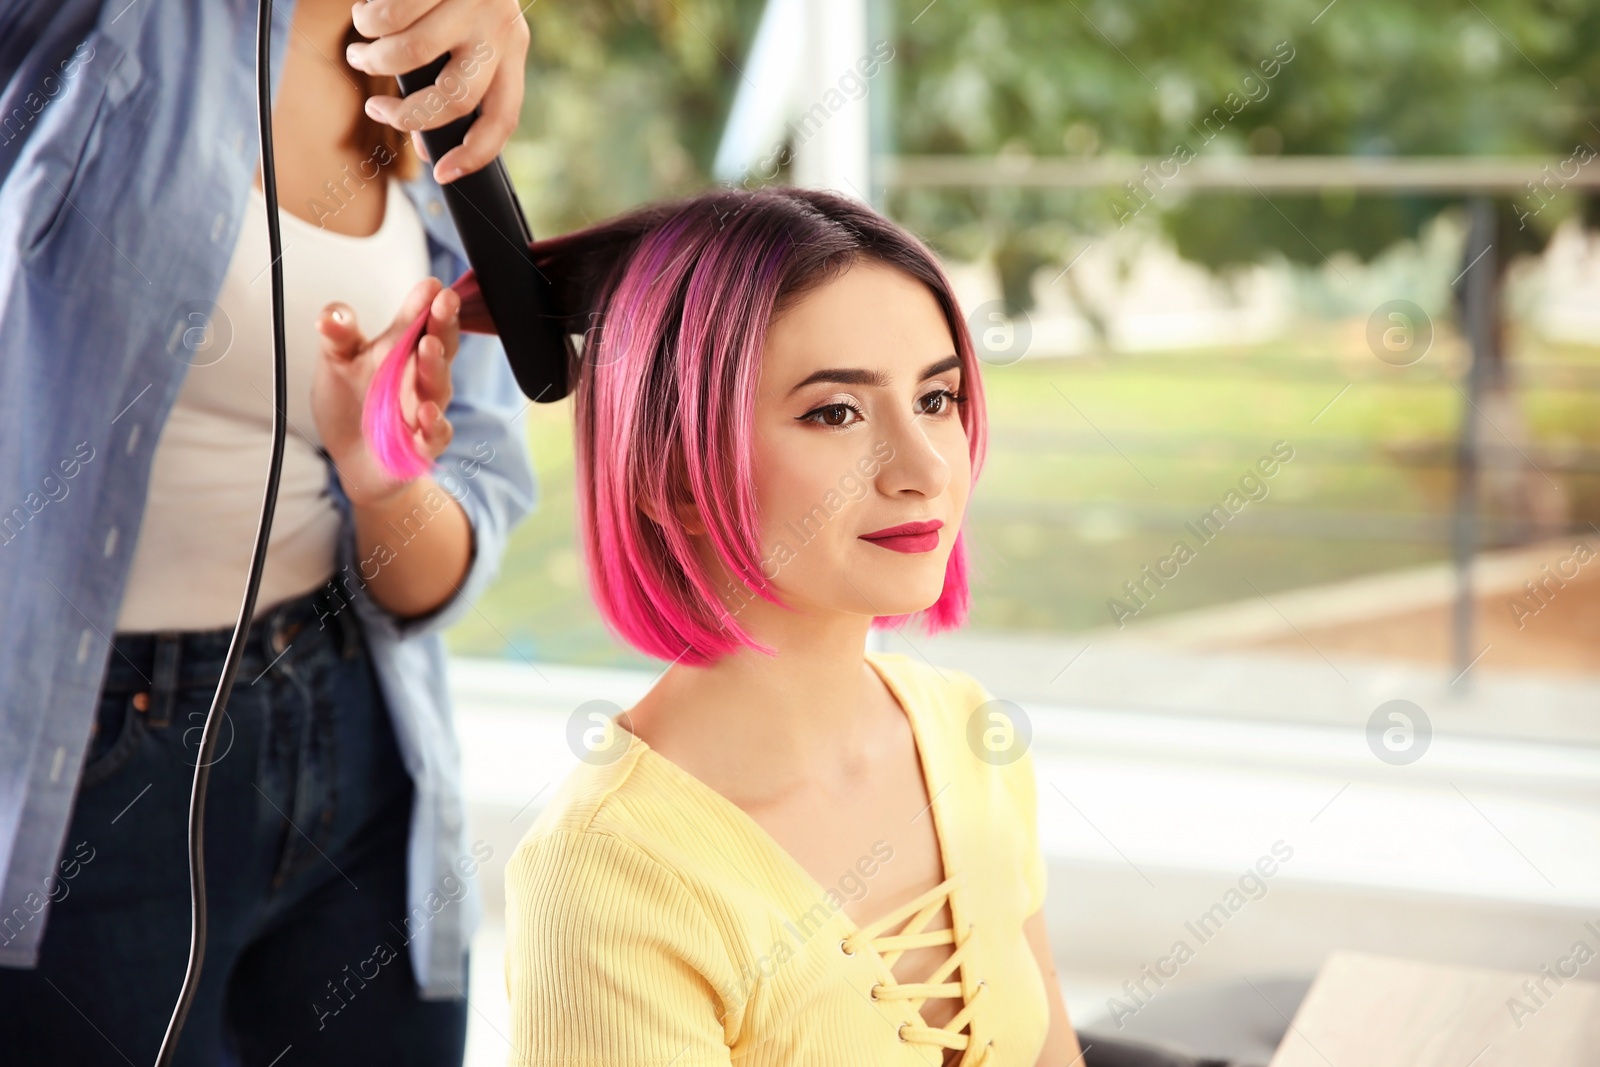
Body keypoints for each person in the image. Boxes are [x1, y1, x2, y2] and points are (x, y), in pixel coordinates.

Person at [0, 1, 535, 1063]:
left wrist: (381, 477)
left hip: (354, 728)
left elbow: (461, 518)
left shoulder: (431, 63)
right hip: (91, 771)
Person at [498, 187, 1083, 1066]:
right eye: (836, 412)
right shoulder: (603, 880)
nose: (925, 467)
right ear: (675, 475)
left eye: (937, 398)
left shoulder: (966, 732)